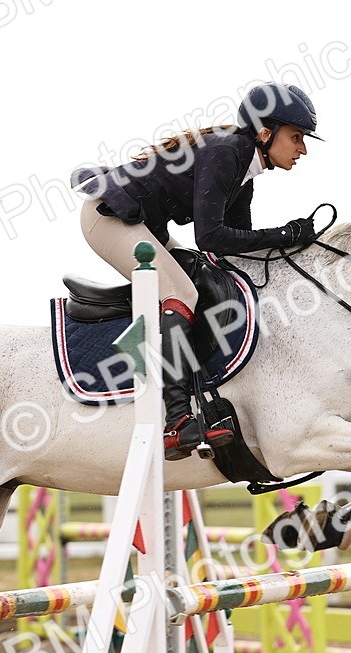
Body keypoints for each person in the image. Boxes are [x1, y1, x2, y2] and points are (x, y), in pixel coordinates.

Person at [72, 82, 322, 460]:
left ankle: (196, 390)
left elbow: (232, 250)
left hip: (142, 225)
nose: (302, 149)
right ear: (265, 133)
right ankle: (176, 421)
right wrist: (285, 234)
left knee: (204, 277)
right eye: (297, 137)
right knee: (182, 293)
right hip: (108, 217)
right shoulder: (226, 152)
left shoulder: (244, 171)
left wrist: (292, 245)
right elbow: (211, 237)